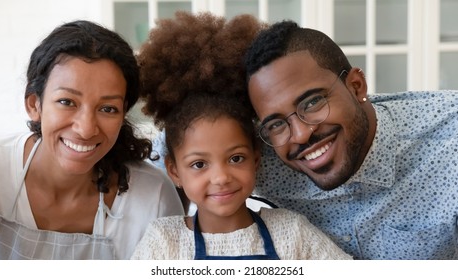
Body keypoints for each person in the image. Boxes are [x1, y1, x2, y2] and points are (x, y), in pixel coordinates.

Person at [130, 12, 352, 260]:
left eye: (236, 158)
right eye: (199, 164)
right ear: (174, 171)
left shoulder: (292, 232)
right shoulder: (163, 242)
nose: (221, 177)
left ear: (256, 159)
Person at [244, 20, 458, 259]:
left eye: (313, 102)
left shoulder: (450, 144)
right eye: (276, 123)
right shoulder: (257, 163)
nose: (301, 134)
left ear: (357, 87)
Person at [0, 20, 184, 260]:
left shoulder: (152, 197)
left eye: (107, 109)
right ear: (34, 104)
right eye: (67, 102)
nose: (86, 129)